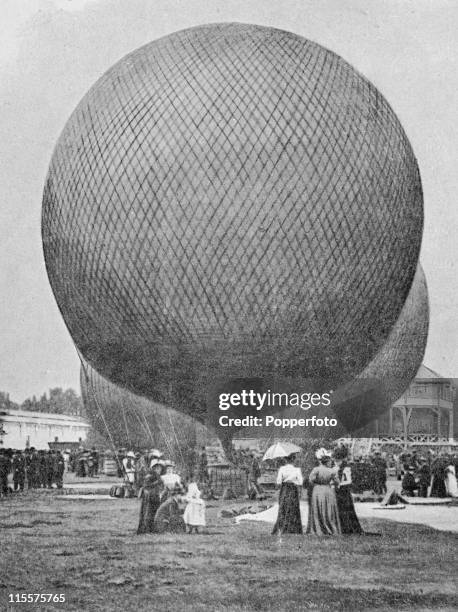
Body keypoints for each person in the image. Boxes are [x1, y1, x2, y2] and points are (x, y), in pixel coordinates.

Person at [306, 448, 341, 536]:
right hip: (328, 490)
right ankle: (330, 528)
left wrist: (316, 483)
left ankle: (318, 528)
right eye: (329, 462)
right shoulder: (332, 470)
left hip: (317, 489)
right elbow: (337, 482)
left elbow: (310, 480)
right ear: (327, 462)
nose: (330, 463)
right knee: (328, 509)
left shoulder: (316, 469)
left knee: (318, 508)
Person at [272, 453, 303, 535]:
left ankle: (282, 526)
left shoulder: (282, 469)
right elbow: (300, 482)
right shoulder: (297, 470)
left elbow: (278, 481)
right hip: (293, 489)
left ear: (286, 460)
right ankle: (293, 528)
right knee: (293, 506)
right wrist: (294, 481)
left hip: (285, 489)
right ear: (293, 460)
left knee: (283, 506)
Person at [333, 446, 362, 535]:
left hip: (344, 491)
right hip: (337, 491)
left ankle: (347, 527)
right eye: (335, 460)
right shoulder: (334, 467)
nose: (336, 462)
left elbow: (349, 481)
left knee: (345, 509)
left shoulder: (346, 468)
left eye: (337, 460)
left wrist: (339, 484)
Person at [137, 463, 165, 534]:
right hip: (148, 497)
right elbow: (145, 486)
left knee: (154, 513)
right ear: (154, 468)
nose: (159, 470)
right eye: (157, 468)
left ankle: (152, 529)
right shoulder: (149, 476)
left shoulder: (158, 476)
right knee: (147, 513)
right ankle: (146, 530)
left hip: (155, 496)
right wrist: (156, 483)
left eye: (160, 468)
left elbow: (161, 486)